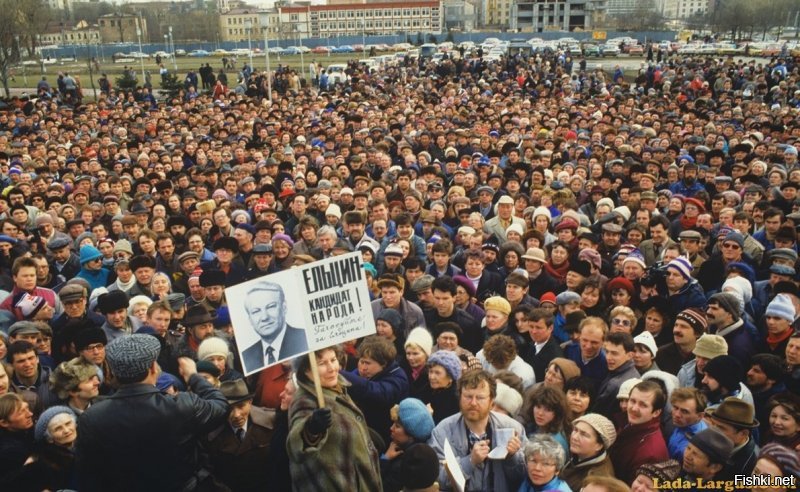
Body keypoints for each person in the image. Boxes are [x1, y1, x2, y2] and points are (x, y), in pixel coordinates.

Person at [75, 334, 229, 491]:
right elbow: (221, 405)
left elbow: (88, 473)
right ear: (153, 368)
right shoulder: (181, 406)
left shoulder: (92, 418)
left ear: (114, 372)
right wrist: (193, 376)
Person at [287, 345, 382, 490]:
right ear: (306, 371)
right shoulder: (304, 401)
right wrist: (311, 429)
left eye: (333, 359)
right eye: (322, 363)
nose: (331, 368)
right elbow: (295, 446)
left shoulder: (337, 388)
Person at [428, 369, 527, 491]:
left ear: (491, 401)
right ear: (460, 397)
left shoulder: (513, 428)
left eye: (480, 398)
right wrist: (470, 461)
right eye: (468, 396)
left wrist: (512, 457)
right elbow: (438, 478)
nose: (473, 403)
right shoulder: (443, 431)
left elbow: (525, 477)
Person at [204, 379, 275, 492]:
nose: (236, 415)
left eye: (241, 406)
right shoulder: (211, 434)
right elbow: (209, 473)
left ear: (250, 402)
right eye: (229, 409)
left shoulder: (270, 422)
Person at [241, 281, 308, 373]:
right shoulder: (246, 356)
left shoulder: (305, 339)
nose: (264, 317)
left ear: (284, 308)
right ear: (250, 319)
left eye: (270, 307)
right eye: (256, 311)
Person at [610, 380, 669, 484]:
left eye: (643, 405)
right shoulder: (630, 423)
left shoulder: (650, 454)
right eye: (632, 401)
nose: (634, 408)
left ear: (656, 412)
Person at [380, 397, 436, 492]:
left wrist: (384, 459)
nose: (391, 428)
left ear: (411, 435)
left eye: (397, 426)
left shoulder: (403, 466)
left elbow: (376, 486)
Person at [561, 413, 617, 491]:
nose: (574, 437)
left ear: (599, 445)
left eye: (584, 434)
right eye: (575, 430)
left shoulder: (597, 481)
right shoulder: (579, 455)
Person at [704, 397, 759, 477]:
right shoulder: (709, 440)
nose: (713, 430)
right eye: (712, 424)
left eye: (720, 428)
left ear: (743, 433)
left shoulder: (754, 464)